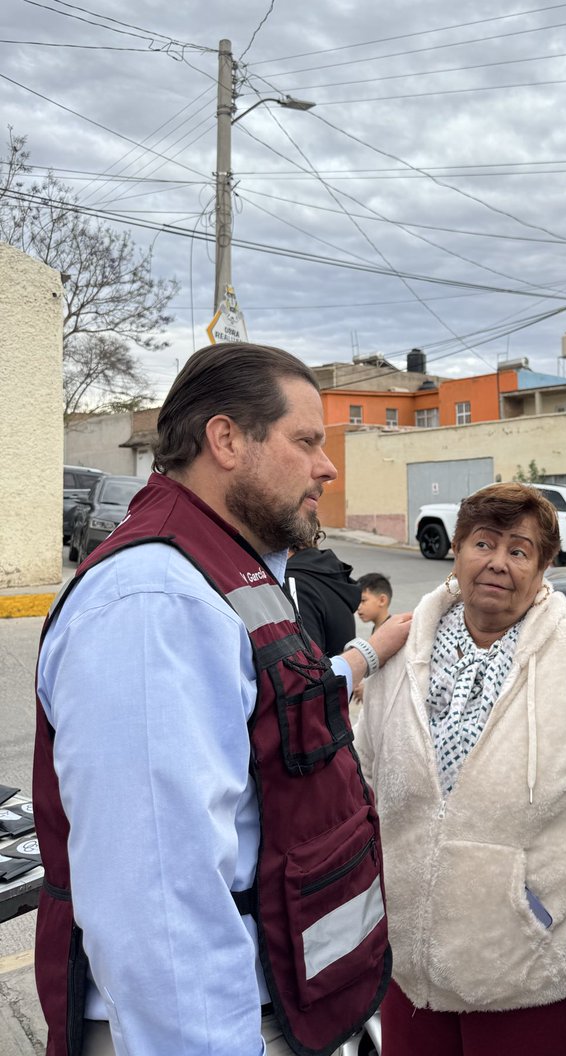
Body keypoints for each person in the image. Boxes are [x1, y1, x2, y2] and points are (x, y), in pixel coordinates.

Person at [32, 343, 411, 1056]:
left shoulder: (227, 570)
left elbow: (277, 708)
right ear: (227, 439)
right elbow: (159, 912)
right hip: (209, 1026)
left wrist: (363, 655)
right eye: (306, 443)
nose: (326, 468)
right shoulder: (153, 602)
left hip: (278, 1003)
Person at [354, 482, 566, 1056]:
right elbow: (365, 787)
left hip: (532, 976)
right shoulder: (401, 654)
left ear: (544, 566)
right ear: (457, 550)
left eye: (519, 550)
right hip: (409, 971)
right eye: (484, 543)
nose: (498, 562)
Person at [285, 530, 361, 657]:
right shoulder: (326, 573)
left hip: (326, 674)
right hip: (343, 673)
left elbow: (306, 662)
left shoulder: (294, 581)